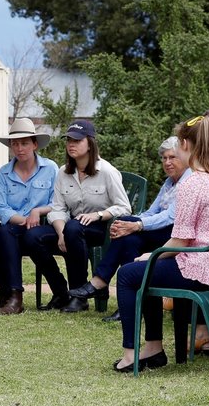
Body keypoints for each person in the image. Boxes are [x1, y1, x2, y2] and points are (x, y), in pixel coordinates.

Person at [112, 116, 209, 372]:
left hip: (199, 268)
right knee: (143, 271)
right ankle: (153, 350)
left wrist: (152, 255)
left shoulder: (194, 183)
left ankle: (131, 354)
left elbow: (180, 240)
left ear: (184, 143)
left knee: (128, 274)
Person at [70, 136, 191, 321]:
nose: (167, 162)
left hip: (177, 236)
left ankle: (99, 282)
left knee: (129, 229)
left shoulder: (188, 181)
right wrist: (127, 225)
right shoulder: (170, 183)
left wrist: (136, 225)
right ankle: (127, 305)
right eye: (164, 158)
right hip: (163, 232)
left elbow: (170, 217)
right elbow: (152, 211)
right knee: (128, 237)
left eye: (172, 157)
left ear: (185, 157)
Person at [23, 119, 131, 313]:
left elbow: (124, 207)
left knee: (73, 227)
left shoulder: (106, 171)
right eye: (69, 140)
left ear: (90, 143)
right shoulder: (63, 173)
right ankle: (61, 291)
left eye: (77, 140)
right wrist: (60, 232)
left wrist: (99, 214)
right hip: (70, 228)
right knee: (32, 236)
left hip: (100, 229)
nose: (71, 144)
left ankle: (79, 295)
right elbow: (57, 209)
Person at [0, 118, 58, 315]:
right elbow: (0, 207)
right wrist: (24, 220)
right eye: (15, 144)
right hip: (15, 225)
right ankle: (14, 295)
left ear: (35, 144)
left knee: (28, 237)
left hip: (45, 226)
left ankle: (59, 289)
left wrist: (37, 212)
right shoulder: (4, 173)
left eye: (25, 143)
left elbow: (59, 203)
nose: (19, 148)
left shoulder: (51, 169)